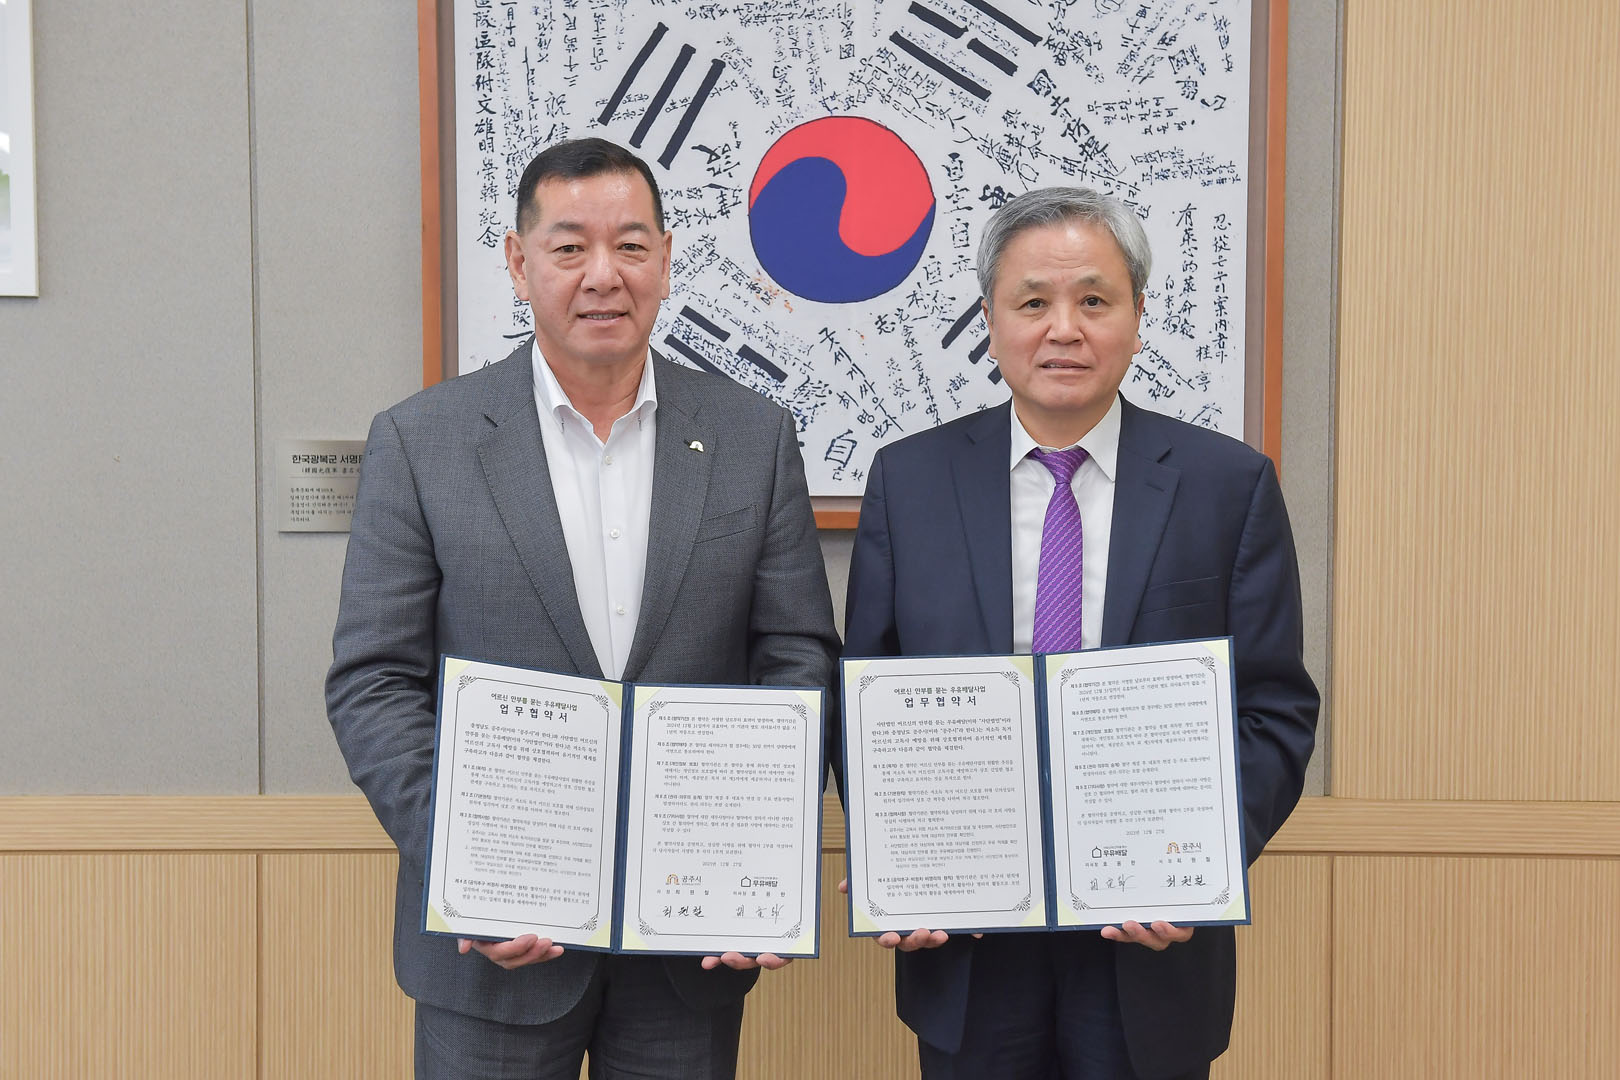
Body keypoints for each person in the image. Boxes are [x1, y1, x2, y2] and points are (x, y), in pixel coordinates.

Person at [326, 137, 839, 1080]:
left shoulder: (751, 437)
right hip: (492, 951)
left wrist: (760, 858)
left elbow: (796, 657)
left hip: (688, 944)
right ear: (518, 263)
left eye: (631, 246)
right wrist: (464, 864)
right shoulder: (422, 441)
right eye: (569, 248)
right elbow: (375, 681)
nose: (604, 275)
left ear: (666, 260)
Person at [838, 187, 1319, 1079]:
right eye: (1033, 302)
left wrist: (1200, 866)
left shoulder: (1227, 485)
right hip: (969, 940)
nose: (1064, 329)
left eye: (1094, 300)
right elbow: (866, 700)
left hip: (1148, 943)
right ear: (990, 323)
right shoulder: (910, 482)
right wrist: (891, 860)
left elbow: (1273, 711)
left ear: (1137, 319)